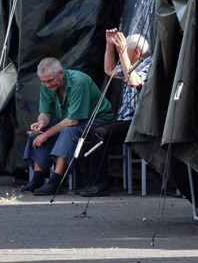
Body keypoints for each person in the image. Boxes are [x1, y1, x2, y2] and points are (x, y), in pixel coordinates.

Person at [20, 57, 115, 196]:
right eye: (44, 81)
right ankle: (37, 178)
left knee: (68, 131)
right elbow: (44, 114)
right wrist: (41, 123)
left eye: (50, 81)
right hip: (69, 120)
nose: (47, 85)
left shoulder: (79, 81)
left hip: (96, 120)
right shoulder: (46, 84)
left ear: (61, 73)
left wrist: (47, 134)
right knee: (37, 134)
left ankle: (56, 181)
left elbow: (73, 121)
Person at [79, 30, 151, 197]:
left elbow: (134, 81)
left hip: (139, 122)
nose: (123, 55)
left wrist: (123, 52)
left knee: (99, 134)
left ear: (138, 53)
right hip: (124, 120)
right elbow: (109, 70)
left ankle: (100, 185)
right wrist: (110, 45)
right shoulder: (133, 63)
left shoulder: (150, 65)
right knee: (89, 131)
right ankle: (89, 182)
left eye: (126, 52)